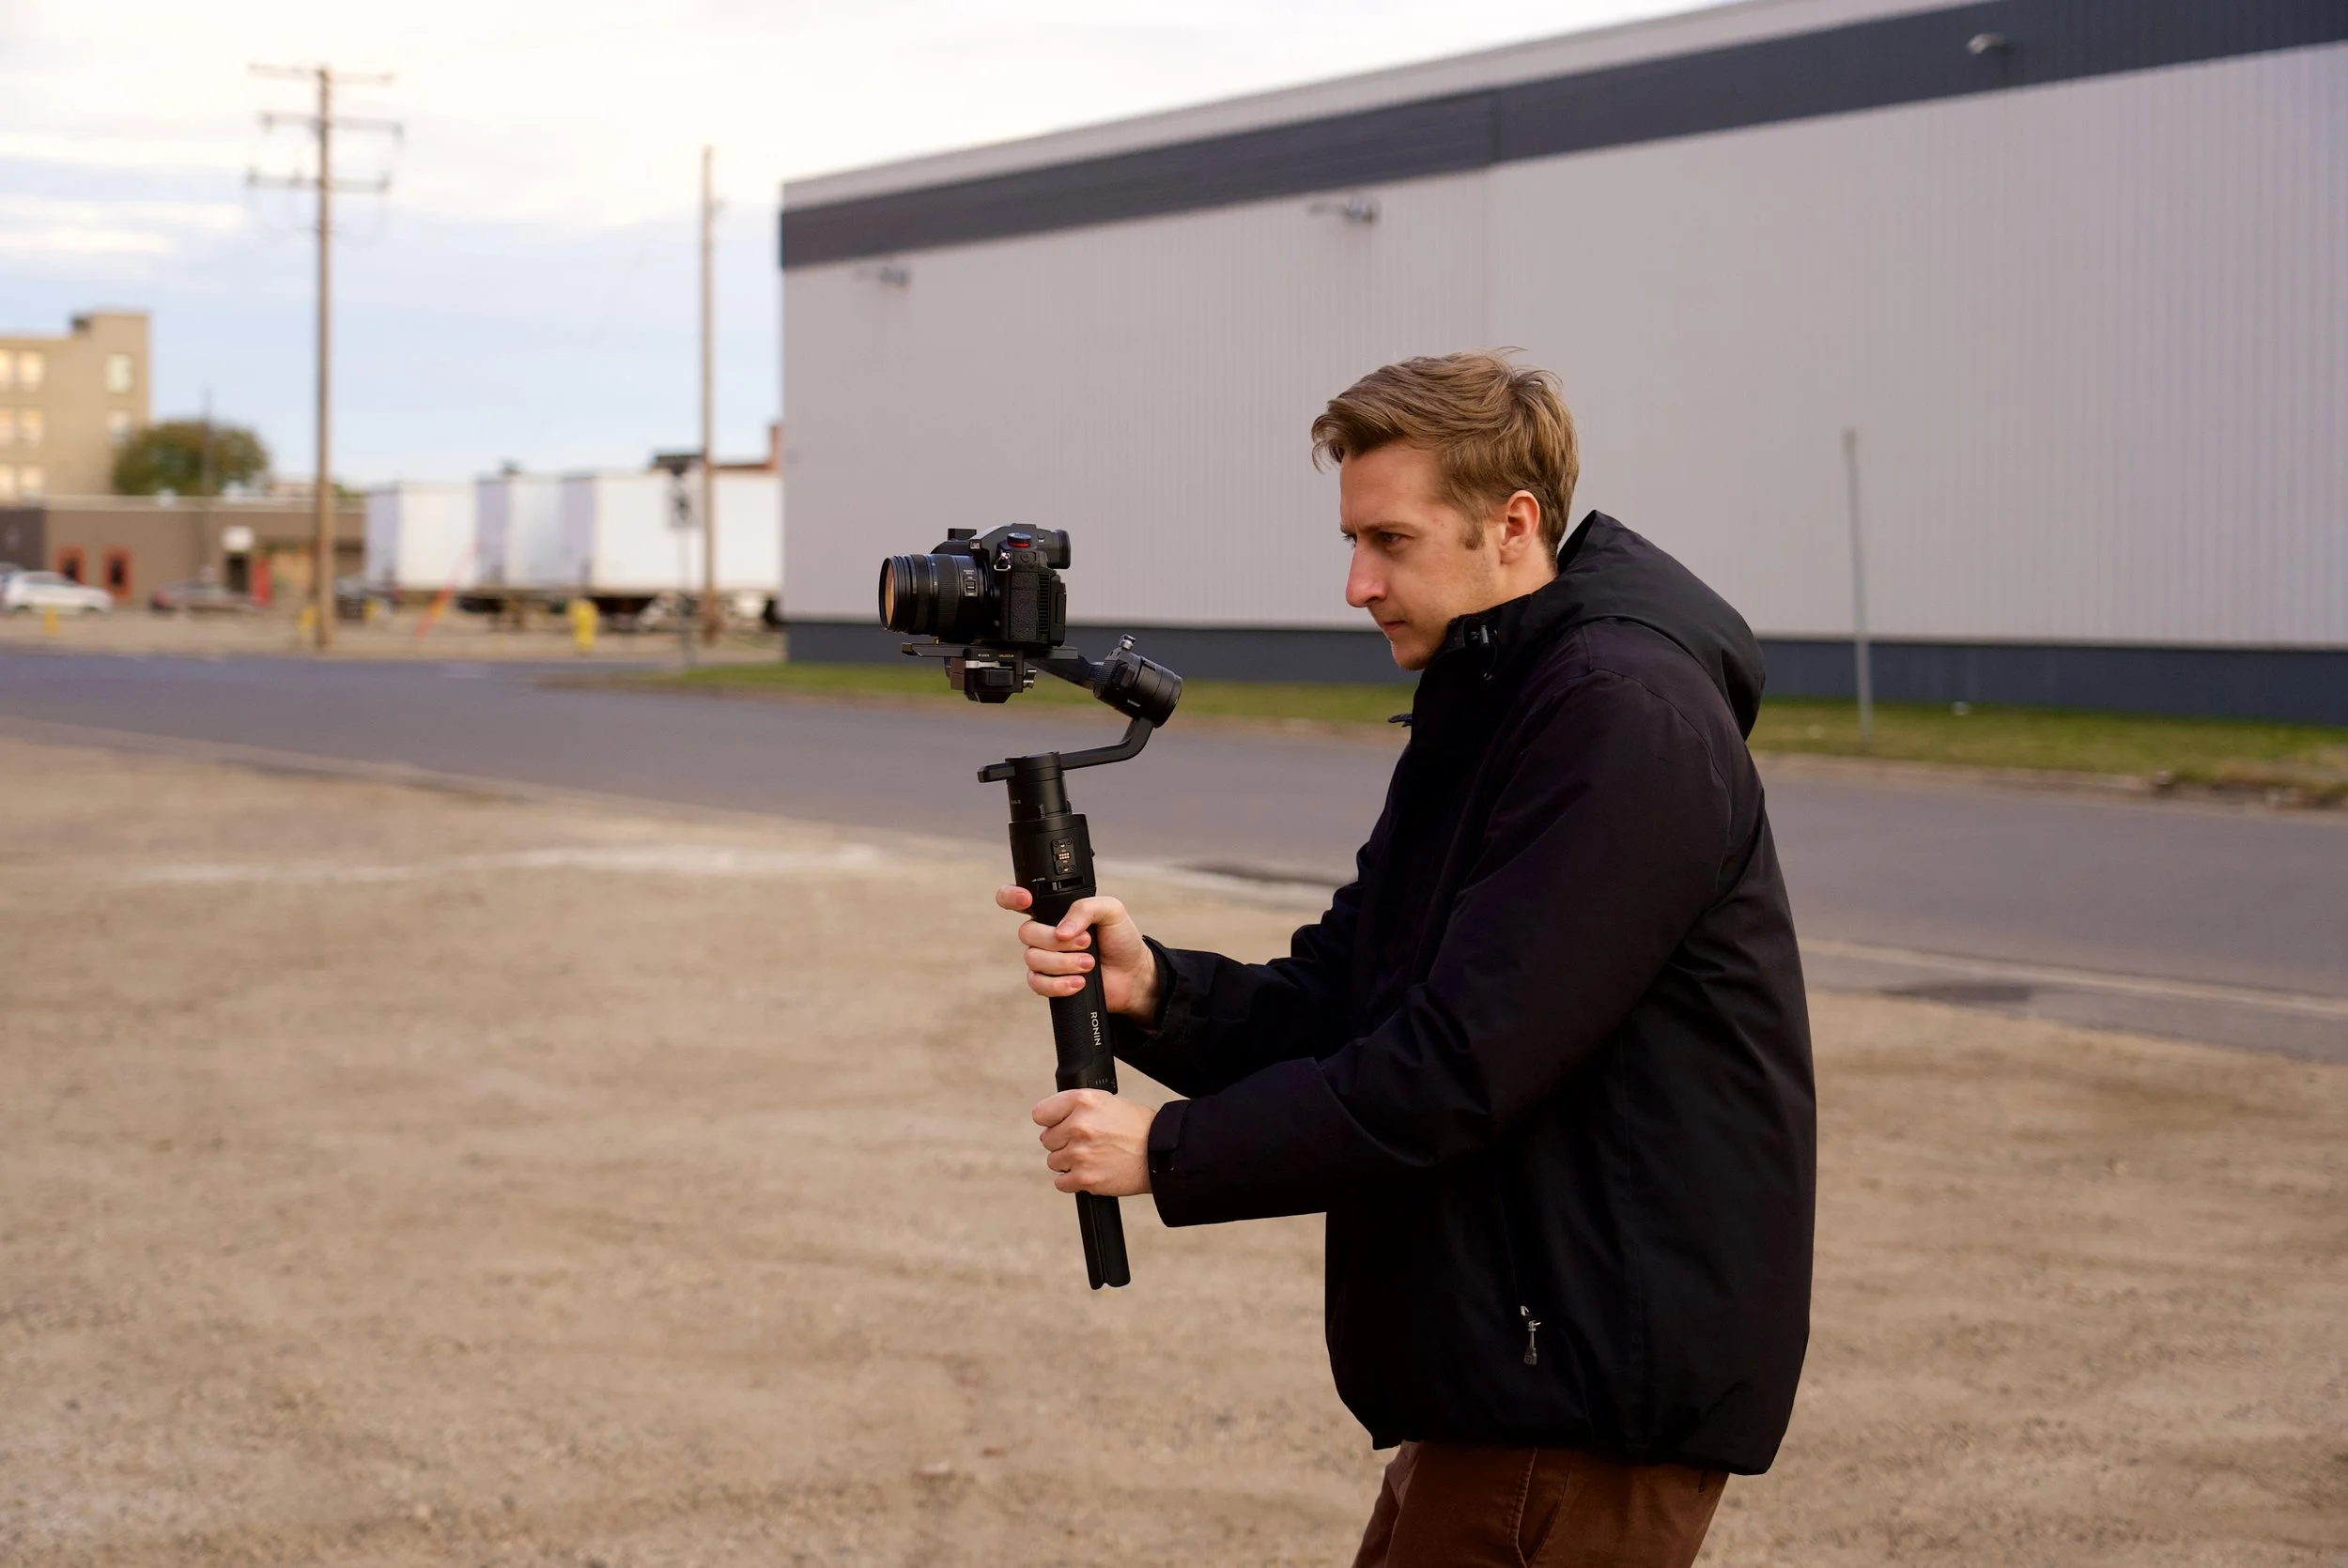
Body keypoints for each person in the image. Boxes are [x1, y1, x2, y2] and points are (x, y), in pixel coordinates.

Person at [999, 352, 1815, 1568]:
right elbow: (1352, 989)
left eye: (1389, 539)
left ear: (1513, 524)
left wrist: (1169, 1153)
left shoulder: (1619, 718)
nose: (1355, 582)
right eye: (1351, 539)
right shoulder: (1500, 693)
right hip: (1517, 1364)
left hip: (1580, 1376)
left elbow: (1457, 1066)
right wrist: (1158, 991)